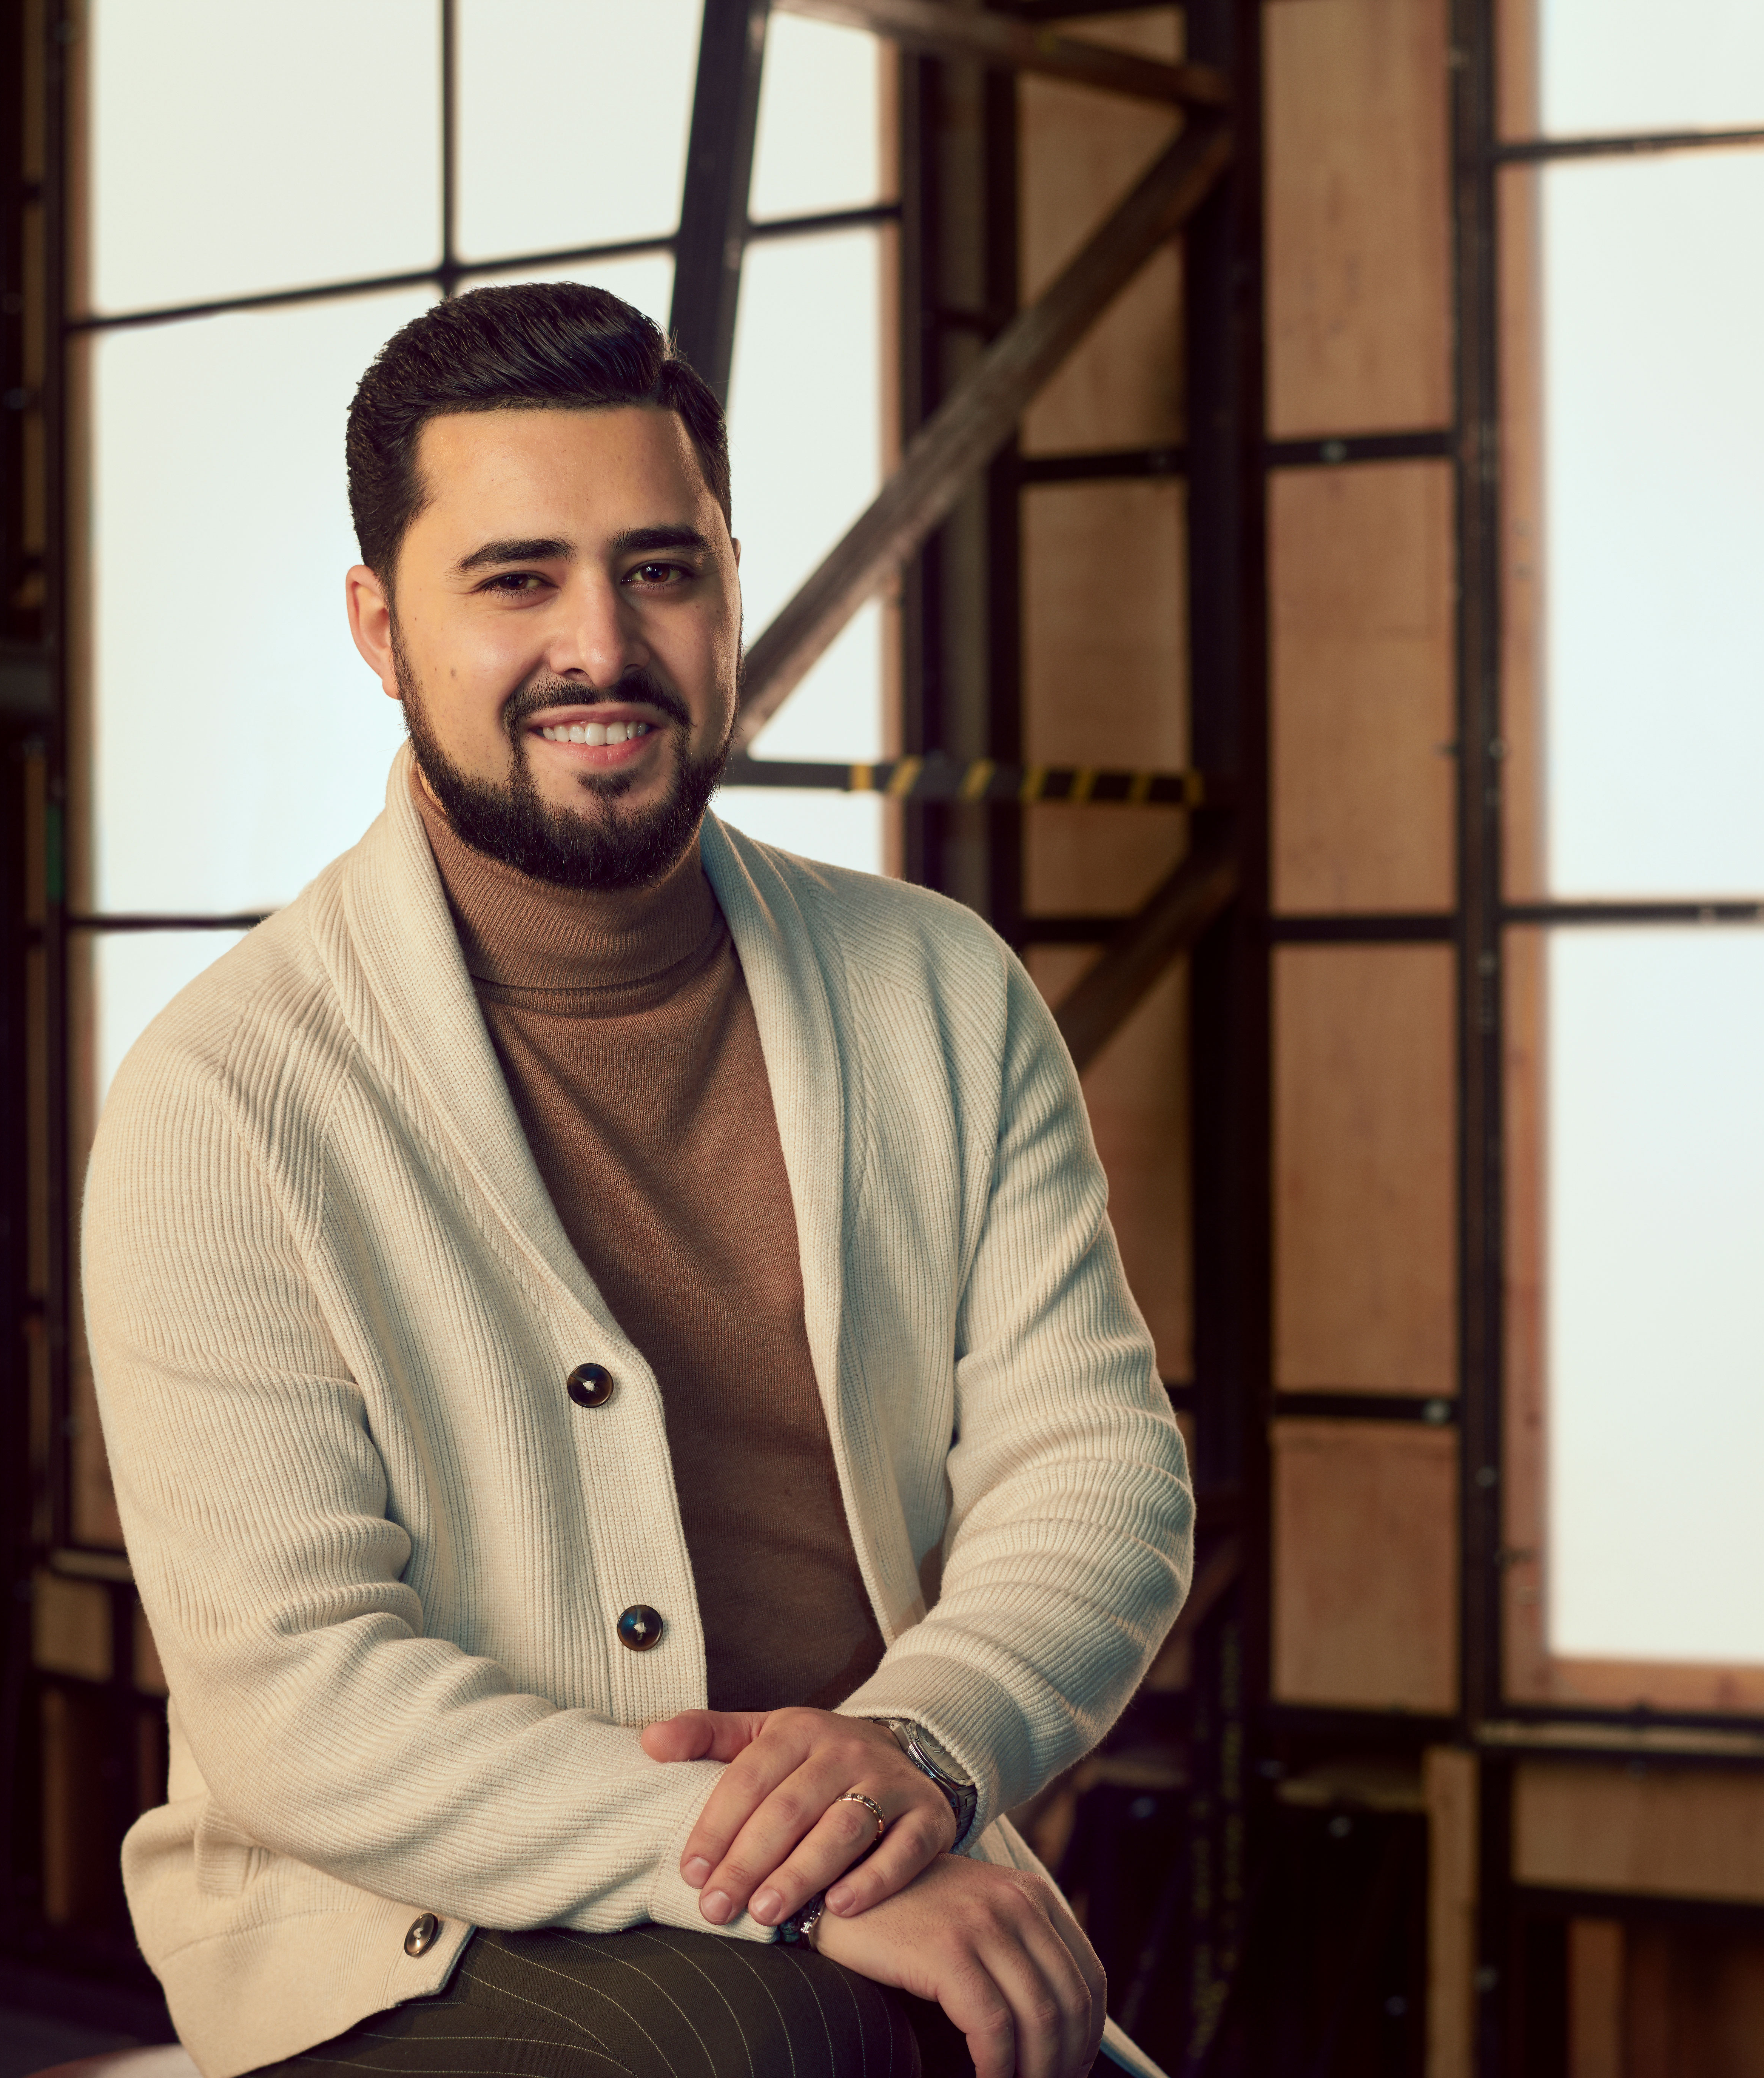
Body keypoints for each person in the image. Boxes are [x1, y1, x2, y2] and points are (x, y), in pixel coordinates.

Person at [83, 281, 1192, 2078]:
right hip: (399, 1926)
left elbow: (1096, 1471)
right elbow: (299, 1689)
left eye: (661, 569)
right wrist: (774, 1868)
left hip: (877, 1858)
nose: (601, 644)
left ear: (731, 584)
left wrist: (920, 1743)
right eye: (515, 580)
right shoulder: (229, 1092)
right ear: (380, 628)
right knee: (794, 2047)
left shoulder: (937, 988)